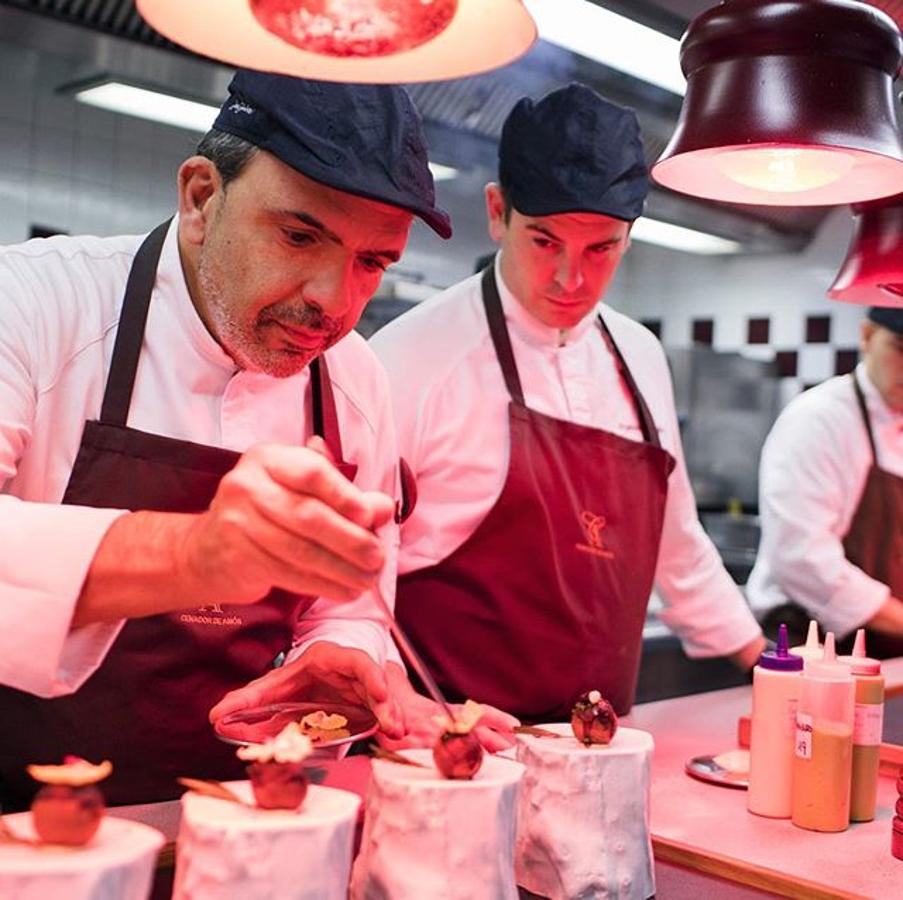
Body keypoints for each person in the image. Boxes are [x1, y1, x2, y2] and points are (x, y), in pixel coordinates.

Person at [0, 69, 454, 809]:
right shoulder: (35, 301)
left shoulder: (355, 378)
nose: (332, 303)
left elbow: (349, 603)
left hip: (250, 821)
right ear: (202, 197)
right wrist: (199, 554)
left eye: (371, 262)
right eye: (299, 235)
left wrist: (338, 653)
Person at [371, 83, 764, 723]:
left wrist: (771, 666)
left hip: (598, 748)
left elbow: (678, 545)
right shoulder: (411, 356)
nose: (570, 279)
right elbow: (357, 573)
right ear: (498, 212)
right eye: (545, 241)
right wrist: (398, 703)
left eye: (600, 248)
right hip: (448, 751)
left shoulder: (640, 357)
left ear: (630, 237)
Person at [750, 306, 903, 657]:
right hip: (809, 647)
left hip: (884, 650)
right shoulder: (819, 419)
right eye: (901, 347)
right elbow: (804, 559)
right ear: (866, 336)